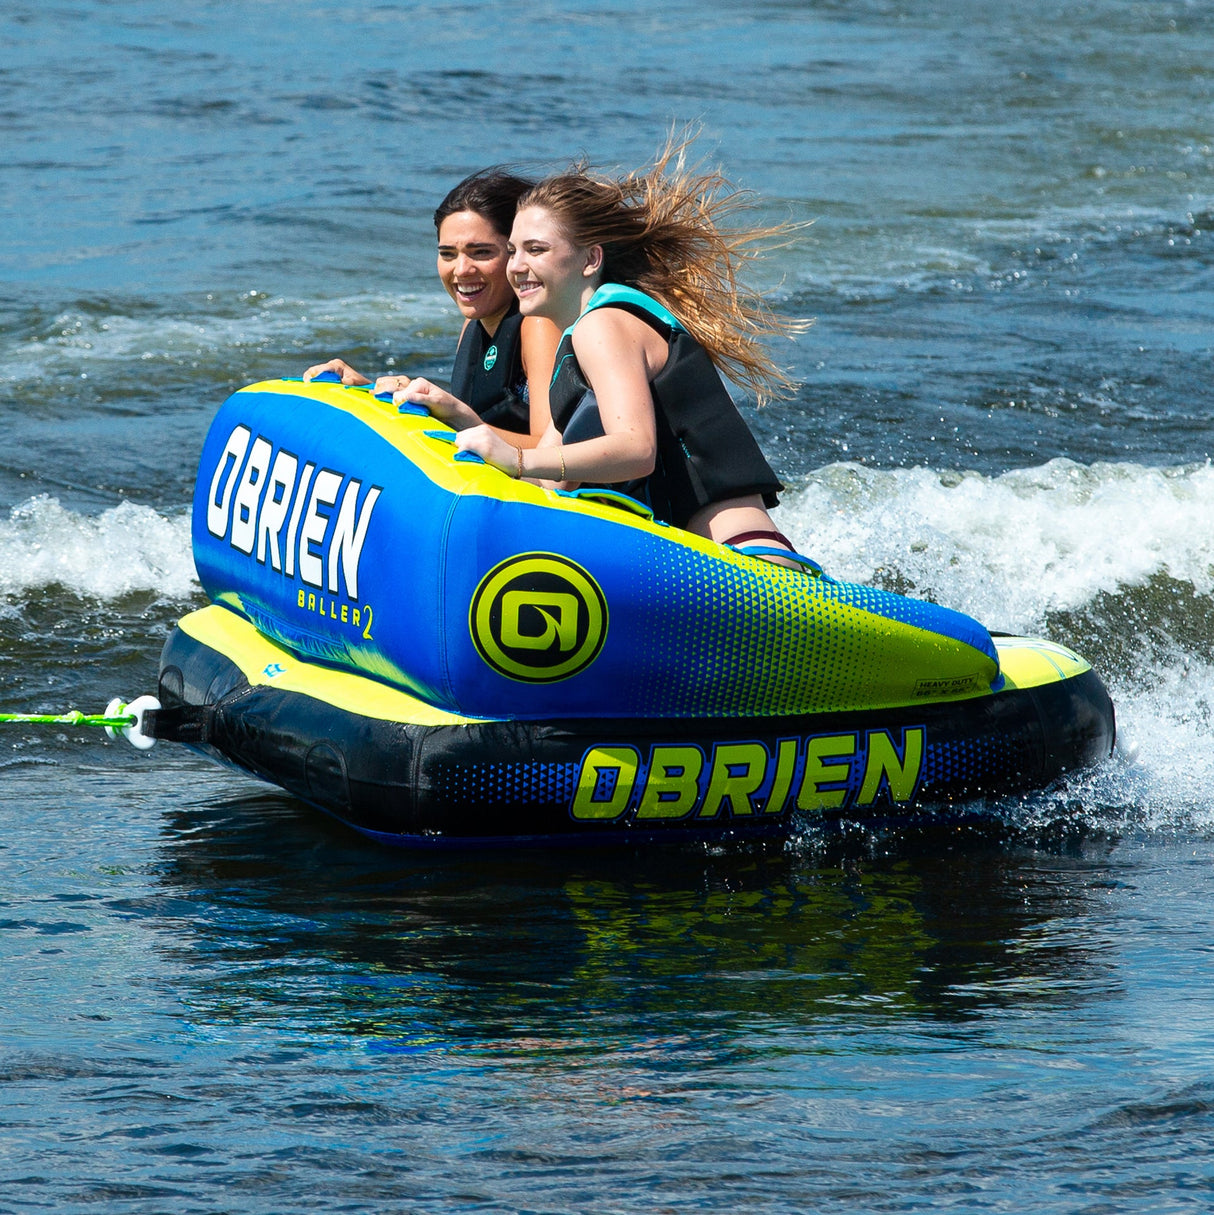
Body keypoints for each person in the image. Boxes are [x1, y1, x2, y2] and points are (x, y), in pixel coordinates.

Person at [434, 140, 807, 558]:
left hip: (741, 566)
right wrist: (453, 416)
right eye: (514, 251)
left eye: (536, 250)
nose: (516, 266)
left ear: (590, 259)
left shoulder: (604, 325)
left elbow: (636, 450)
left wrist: (517, 461)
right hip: (683, 563)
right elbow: (553, 474)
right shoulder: (575, 342)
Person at [304, 168, 560, 442]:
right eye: (448, 254)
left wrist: (453, 417)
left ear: (516, 252)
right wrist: (370, 392)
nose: (461, 270)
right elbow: (480, 417)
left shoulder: (539, 325)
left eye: (481, 252)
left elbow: (557, 462)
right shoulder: (474, 324)